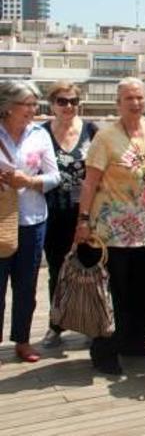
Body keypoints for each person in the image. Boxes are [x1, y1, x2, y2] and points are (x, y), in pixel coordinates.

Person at [75, 77, 145, 375]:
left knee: (143, 291)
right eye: (130, 98)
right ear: (119, 103)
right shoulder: (105, 137)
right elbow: (90, 182)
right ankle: (105, 352)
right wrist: (83, 221)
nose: (136, 103)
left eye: (140, 98)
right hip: (112, 232)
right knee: (113, 294)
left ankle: (133, 342)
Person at [0, 80, 60, 364]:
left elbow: (54, 177)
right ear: (8, 106)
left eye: (35, 105)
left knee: (26, 285)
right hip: (1, 221)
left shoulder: (40, 134)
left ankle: (22, 341)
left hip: (33, 220)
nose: (33, 110)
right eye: (28, 104)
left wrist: (30, 181)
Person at [40, 81, 98, 348]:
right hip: (53, 212)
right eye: (62, 101)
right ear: (52, 104)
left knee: (89, 267)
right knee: (58, 269)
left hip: (86, 212)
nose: (68, 106)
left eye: (73, 101)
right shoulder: (41, 133)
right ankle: (57, 324)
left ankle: (89, 322)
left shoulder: (91, 131)